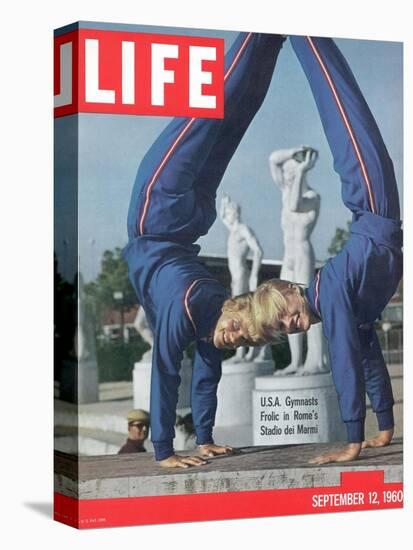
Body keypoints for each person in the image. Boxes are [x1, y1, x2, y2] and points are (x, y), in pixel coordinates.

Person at [123, 33, 286, 468]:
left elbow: (206, 375)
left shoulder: (215, 320)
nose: (231, 338)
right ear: (235, 307)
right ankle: (265, 32)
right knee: (220, 108)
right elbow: (165, 371)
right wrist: (163, 452)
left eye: (239, 340)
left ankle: (272, 37)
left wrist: (204, 438)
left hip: (175, 220)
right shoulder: (190, 305)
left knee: (233, 117)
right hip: (159, 204)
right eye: (238, 328)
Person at [244, 36, 402, 464]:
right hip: (376, 208)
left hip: (368, 199)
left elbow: (346, 366)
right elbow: (368, 361)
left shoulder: (329, 295)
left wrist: (353, 441)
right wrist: (384, 427)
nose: (294, 323)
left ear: (292, 290)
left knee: (336, 97)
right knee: (341, 99)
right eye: (288, 328)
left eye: (287, 313)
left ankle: (302, 29)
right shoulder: (345, 309)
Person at [269, 145, 329, 376]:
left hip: (303, 253)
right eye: (287, 175)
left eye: (291, 174)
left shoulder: (313, 198)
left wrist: (301, 170)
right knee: (287, 308)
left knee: (306, 306)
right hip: (288, 256)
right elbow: (274, 159)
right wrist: (294, 152)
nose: (287, 178)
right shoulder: (286, 191)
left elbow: (295, 205)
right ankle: (296, 361)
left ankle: (316, 360)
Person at [220, 193, 263, 363]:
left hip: (242, 275)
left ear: (235, 213)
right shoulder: (233, 230)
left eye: (230, 213)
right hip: (235, 278)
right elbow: (221, 216)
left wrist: (254, 274)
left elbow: (258, 250)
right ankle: (254, 350)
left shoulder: (243, 229)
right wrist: (224, 204)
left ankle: (243, 353)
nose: (227, 217)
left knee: (242, 314)